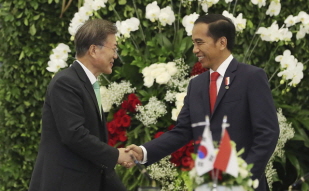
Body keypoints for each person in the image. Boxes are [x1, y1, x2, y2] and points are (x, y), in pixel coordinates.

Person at [126, 14, 280, 191]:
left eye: (199, 43)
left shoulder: (251, 77)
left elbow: (267, 133)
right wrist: (143, 151)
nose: (194, 50)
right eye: (193, 43)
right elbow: (183, 131)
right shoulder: (196, 85)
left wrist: (244, 177)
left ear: (222, 43)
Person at [29, 19, 134, 191]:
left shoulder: (86, 83)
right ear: (93, 50)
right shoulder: (65, 82)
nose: (115, 55)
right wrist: (116, 155)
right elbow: (74, 134)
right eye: (113, 48)